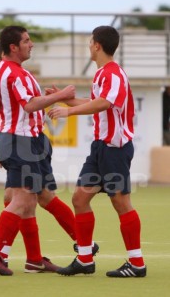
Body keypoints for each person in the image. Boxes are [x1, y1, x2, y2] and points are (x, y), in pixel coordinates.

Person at [0, 25, 86, 276]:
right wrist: (63, 96)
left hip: (24, 140)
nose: (31, 44)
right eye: (26, 41)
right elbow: (29, 105)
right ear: (12, 47)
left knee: (38, 197)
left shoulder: (2, 72)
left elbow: (7, 111)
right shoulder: (13, 73)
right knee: (24, 199)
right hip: (22, 142)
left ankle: (37, 258)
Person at [48, 25, 146, 278]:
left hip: (115, 149)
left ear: (97, 45)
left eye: (90, 41)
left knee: (121, 202)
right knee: (80, 199)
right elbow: (95, 103)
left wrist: (68, 111)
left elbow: (103, 103)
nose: (89, 46)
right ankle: (84, 259)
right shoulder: (103, 74)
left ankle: (137, 264)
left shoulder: (113, 73)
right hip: (100, 149)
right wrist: (61, 99)